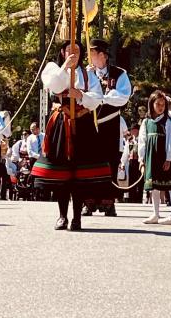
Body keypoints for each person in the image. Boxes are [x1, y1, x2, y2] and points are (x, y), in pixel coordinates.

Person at [31, 40, 112, 231]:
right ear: (63, 52)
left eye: (76, 50)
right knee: (61, 174)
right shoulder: (52, 68)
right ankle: (62, 216)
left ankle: (76, 217)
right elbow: (53, 85)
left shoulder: (88, 74)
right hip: (61, 124)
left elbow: (97, 99)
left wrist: (81, 96)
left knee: (80, 174)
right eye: (69, 50)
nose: (73, 53)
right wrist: (65, 68)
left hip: (83, 124)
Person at [84, 38, 132, 217]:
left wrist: (102, 97)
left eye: (93, 54)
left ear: (103, 55)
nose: (90, 58)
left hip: (110, 123)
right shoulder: (86, 74)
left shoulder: (119, 74)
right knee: (89, 162)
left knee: (109, 162)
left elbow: (123, 96)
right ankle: (88, 202)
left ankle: (108, 202)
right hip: (89, 124)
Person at [138, 90, 171, 225]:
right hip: (151, 157)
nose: (161, 107)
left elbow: (170, 141)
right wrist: (141, 159)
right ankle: (155, 214)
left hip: (164, 157)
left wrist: (168, 158)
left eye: (163, 104)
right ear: (152, 104)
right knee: (154, 186)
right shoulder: (146, 122)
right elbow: (142, 141)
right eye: (158, 104)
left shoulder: (167, 121)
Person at [120, 124, 143, 203]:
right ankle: (132, 198)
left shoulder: (141, 139)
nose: (133, 132)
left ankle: (139, 198)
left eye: (134, 130)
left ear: (138, 130)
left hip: (139, 161)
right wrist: (123, 163)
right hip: (131, 161)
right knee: (132, 180)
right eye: (132, 130)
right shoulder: (129, 140)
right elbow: (126, 152)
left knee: (140, 180)